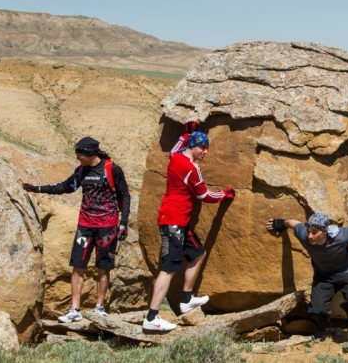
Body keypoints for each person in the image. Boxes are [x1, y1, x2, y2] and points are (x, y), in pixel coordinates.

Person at [22, 136, 130, 323]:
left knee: (103, 268)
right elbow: (65, 187)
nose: (77, 157)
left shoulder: (112, 169)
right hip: (85, 226)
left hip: (107, 226)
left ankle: (99, 308)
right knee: (77, 266)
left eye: (79, 154)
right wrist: (37, 188)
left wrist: (124, 222)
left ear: (89, 153)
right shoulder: (81, 171)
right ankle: (74, 309)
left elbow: (125, 195)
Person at [142, 127, 235, 332]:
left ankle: (186, 299)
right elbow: (204, 196)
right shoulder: (191, 168)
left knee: (198, 253)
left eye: (207, 148)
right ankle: (152, 317)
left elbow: (176, 146)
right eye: (202, 147)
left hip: (179, 222)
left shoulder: (175, 156)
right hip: (173, 222)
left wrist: (186, 132)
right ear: (192, 146)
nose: (205, 152)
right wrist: (225, 194)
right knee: (168, 270)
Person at [266, 213, 348, 346]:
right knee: (317, 309)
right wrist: (281, 222)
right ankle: (323, 328)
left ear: (325, 231)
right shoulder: (303, 234)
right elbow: (293, 223)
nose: (310, 236)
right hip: (323, 276)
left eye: (314, 232)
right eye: (309, 231)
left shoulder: (341, 235)